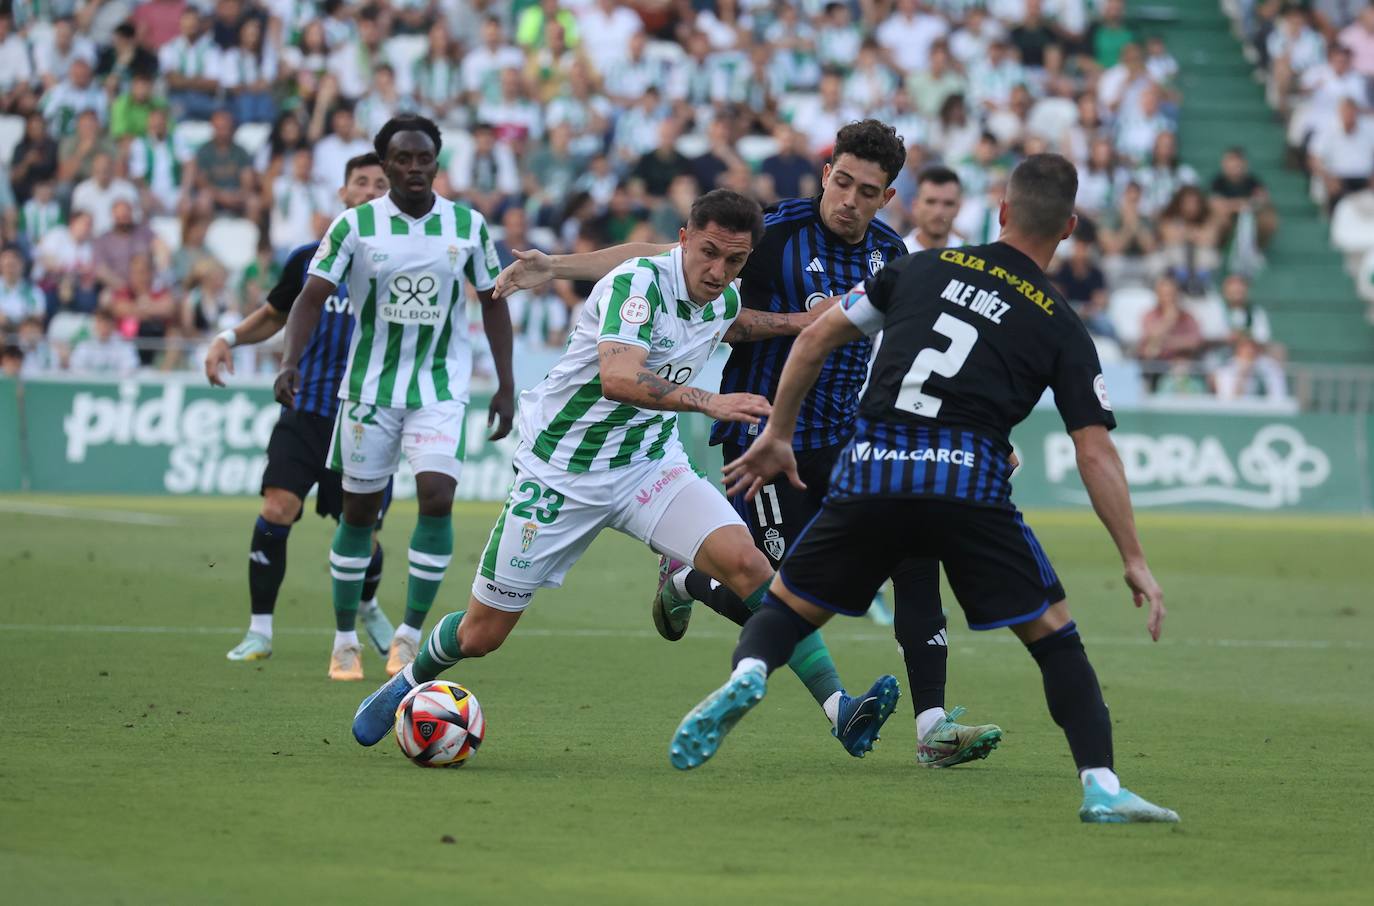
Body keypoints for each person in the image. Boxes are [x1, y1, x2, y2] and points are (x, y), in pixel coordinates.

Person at [671, 154, 1179, 825]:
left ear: (1000, 212)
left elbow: (818, 335)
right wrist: (1134, 557)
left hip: (873, 465)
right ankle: (1102, 785)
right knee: (1055, 641)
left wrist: (779, 434)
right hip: (967, 482)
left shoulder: (916, 268)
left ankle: (748, 676)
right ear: (1069, 227)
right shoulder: (1059, 321)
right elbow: (1094, 451)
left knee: (788, 607)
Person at [494, 121, 1002, 767]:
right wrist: (556, 266)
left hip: (847, 439)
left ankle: (931, 728)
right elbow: (657, 257)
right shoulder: (777, 233)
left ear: (887, 196)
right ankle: (688, 580)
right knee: (779, 588)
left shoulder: (890, 253)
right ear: (825, 172)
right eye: (841, 181)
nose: (848, 198)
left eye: (866, 190)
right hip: (762, 438)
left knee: (915, 550)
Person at [350, 188, 899, 757]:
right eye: (708, 253)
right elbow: (618, 377)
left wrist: (798, 322)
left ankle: (842, 709)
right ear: (683, 239)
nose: (718, 271)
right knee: (481, 635)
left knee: (749, 564)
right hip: (562, 472)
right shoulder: (636, 286)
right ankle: (409, 681)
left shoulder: (720, 295)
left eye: (735, 262)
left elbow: (733, 323)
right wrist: (710, 401)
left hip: (648, 464)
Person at [274, 115, 517, 682]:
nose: (414, 167)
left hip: (439, 387)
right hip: (368, 391)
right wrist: (290, 361)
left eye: (424, 158)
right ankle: (343, 640)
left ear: (436, 161)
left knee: (436, 497)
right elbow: (311, 297)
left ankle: (408, 637)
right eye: (402, 159)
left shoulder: (467, 225)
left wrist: (505, 383)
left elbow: (493, 301)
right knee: (358, 512)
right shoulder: (354, 227)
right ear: (384, 165)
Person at [206, 153, 394, 667]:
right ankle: (260, 631)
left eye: (382, 183)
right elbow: (274, 315)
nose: (372, 190)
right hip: (305, 407)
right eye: (361, 182)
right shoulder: (311, 257)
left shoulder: (405, 264)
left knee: (364, 537)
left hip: (368, 417)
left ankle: (370, 606)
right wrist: (228, 338)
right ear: (343, 194)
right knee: (276, 509)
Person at [904, 166, 964, 253]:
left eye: (948, 203)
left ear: (958, 208)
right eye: (931, 202)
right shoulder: (896, 255)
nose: (938, 212)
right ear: (915, 206)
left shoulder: (972, 259)